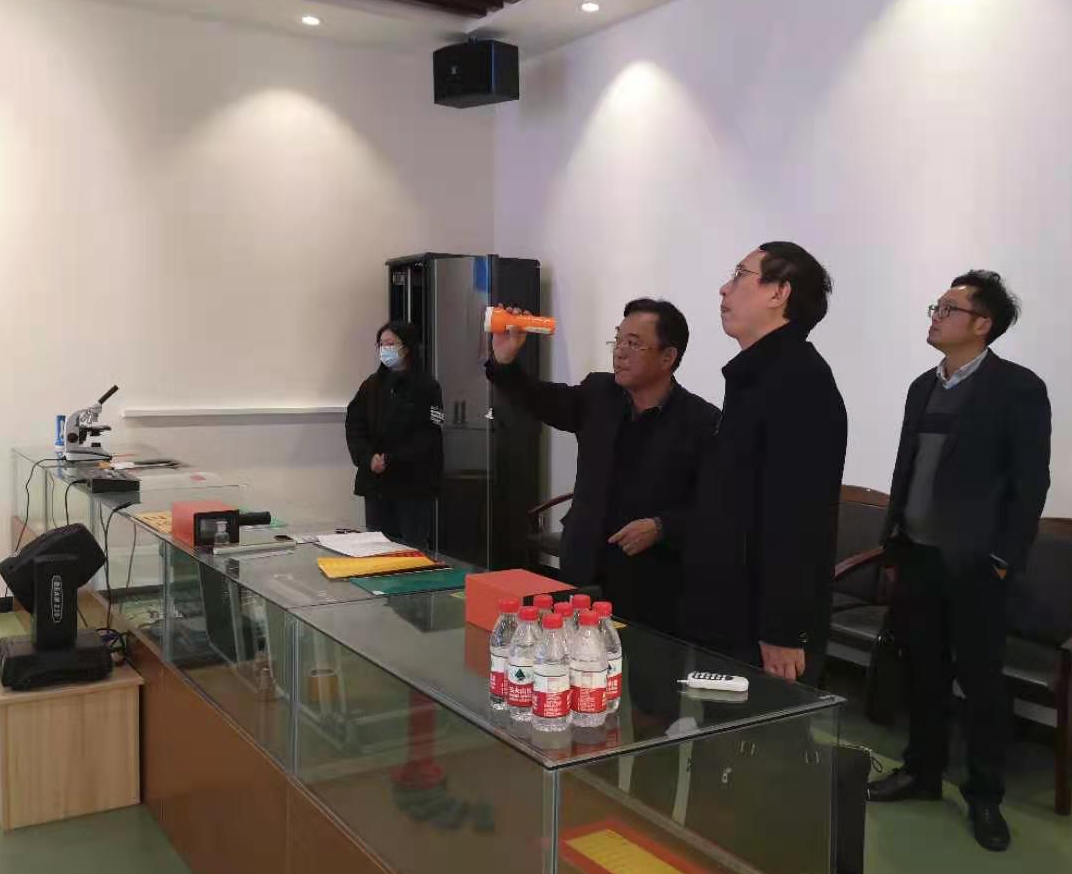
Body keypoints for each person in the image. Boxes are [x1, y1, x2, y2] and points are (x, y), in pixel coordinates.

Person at [866, 270, 1052, 854]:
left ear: (982, 324)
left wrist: (1003, 558)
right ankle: (922, 772)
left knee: (980, 681)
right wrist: (894, 539)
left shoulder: (1017, 388)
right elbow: (907, 467)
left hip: (976, 565)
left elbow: (1030, 483)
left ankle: (985, 796)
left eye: (948, 308)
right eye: (936, 306)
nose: (935, 316)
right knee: (923, 671)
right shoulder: (923, 386)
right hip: (918, 555)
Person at [487, 299, 719, 633]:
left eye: (634, 344)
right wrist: (505, 360)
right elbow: (537, 397)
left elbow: (714, 506)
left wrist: (662, 526)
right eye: (618, 340)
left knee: (643, 663)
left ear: (668, 357)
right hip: (583, 568)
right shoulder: (598, 394)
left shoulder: (701, 421)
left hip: (651, 582)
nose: (620, 352)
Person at [678, 242, 847, 683]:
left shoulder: (800, 381)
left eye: (740, 275)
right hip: (730, 607)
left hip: (762, 627)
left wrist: (783, 629)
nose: (724, 288)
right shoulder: (758, 376)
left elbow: (799, 515)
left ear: (779, 292)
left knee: (760, 727)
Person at [344, 321, 444, 552]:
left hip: (413, 483)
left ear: (406, 347)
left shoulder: (427, 386)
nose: (384, 349)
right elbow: (354, 425)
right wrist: (368, 457)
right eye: (381, 344)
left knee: (412, 549)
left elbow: (429, 435)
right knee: (377, 547)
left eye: (390, 344)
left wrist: (391, 459)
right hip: (376, 483)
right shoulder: (371, 385)